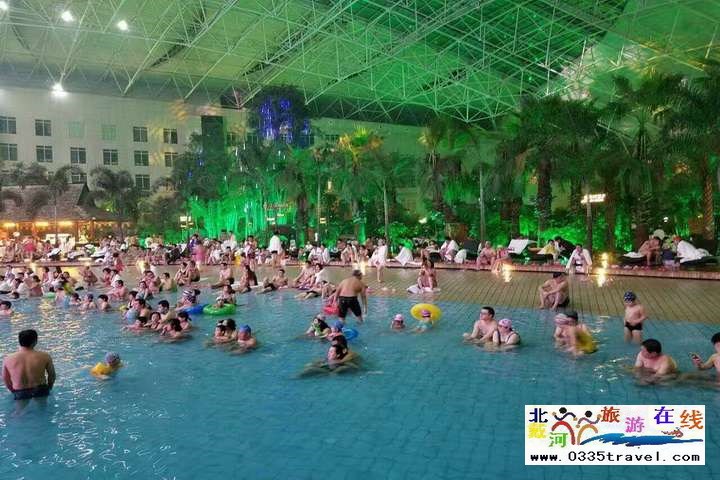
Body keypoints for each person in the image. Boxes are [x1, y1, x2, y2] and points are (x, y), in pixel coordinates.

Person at [2, 329, 56, 401]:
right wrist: (49, 388)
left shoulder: (8, 359)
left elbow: (5, 379)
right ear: (35, 341)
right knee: (42, 407)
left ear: (19, 342)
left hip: (20, 391)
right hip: (40, 389)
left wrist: (13, 391)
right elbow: (52, 375)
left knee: (20, 408)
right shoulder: (45, 356)